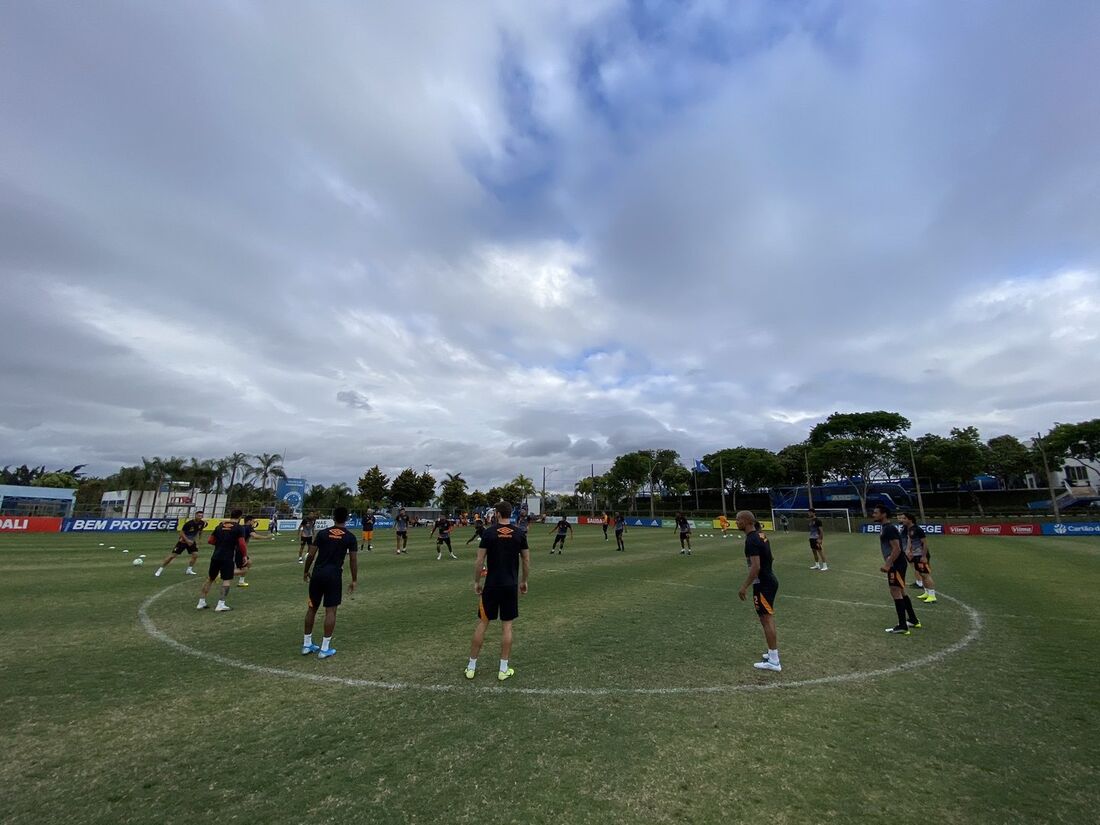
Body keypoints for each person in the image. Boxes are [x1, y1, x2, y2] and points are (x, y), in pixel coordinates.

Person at [465, 501, 530, 682]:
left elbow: (479, 561)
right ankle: (503, 669)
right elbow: (526, 561)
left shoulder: (488, 532)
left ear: (498, 514)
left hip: (491, 585)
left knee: (483, 624)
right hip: (510, 586)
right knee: (507, 626)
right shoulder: (519, 533)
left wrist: (477, 582)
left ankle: (471, 667)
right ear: (510, 513)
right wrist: (524, 581)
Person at [301, 506, 359, 658]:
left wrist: (306, 571)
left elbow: (311, 555)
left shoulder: (322, 533)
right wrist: (354, 579)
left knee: (311, 608)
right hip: (333, 576)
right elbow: (353, 559)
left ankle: (307, 644)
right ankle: (324, 648)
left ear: (333, 517)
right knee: (331, 610)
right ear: (347, 518)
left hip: (317, 574)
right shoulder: (350, 537)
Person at [735, 510, 781, 672]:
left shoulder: (752, 540)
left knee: (767, 619)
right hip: (768, 580)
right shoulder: (761, 535)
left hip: (763, 584)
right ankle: (771, 653)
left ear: (747, 521)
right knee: (765, 618)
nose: (736, 522)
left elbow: (756, 566)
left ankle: (774, 661)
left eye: (739, 520)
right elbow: (770, 558)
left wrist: (744, 586)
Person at [872, 505, 920, 634]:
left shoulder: (889, 529)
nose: (873, 514)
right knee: (901, 591)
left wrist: (888, 564)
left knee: (895, 591)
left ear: (884, 514)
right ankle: (913, 620)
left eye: (876, 512)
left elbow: (897, 548)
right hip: (897, 564)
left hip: (896, 565)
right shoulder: (885, 528)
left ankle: (902, 626)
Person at [197, 509, 247, 612]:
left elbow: (210, 540)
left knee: (210, 578)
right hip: (227, 557)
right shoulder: (239, 528)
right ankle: (221, 604)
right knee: (226, 580)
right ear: (240, 517)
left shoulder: (220, 526)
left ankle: (201, 602)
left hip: (216, 555)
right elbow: (242, 543)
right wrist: (244, 555)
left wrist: (221, 544)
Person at [154, 510, 206, 577]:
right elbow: (181, 532)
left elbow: (200, 531)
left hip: (192, 541)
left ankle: (189, 570)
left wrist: (199, 540)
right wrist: (187, 540)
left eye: (201, 516)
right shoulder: (189, 523)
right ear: (195, 515)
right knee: (172, 556)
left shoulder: (201, 523)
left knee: (195, 555)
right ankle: (160, 570)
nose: (200, 517)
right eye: (198, 516)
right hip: (183, 541)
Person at [900, 512, 937, 603]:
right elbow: (909, 540)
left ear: (910, 519)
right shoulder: (909, 529)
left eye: (904, 518)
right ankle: (926, 592)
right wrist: (908, 550)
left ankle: (932, 596)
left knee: (925, 574)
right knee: (921, 574)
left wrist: (924, 556)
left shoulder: (918, 529)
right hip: (915, 555)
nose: (902, 520)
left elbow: (924, 543)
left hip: (921, 555)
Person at [235, 514, 255, 588]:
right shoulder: (248, 527)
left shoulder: (242, 527)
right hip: (240, 549)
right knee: (243, 569)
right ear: (249, 521)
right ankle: (221, 574)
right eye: (253, 521)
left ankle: (241, 581)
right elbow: (254, 536)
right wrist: (266, 537)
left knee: (249, 563)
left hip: (239, 549)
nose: (254, 523)